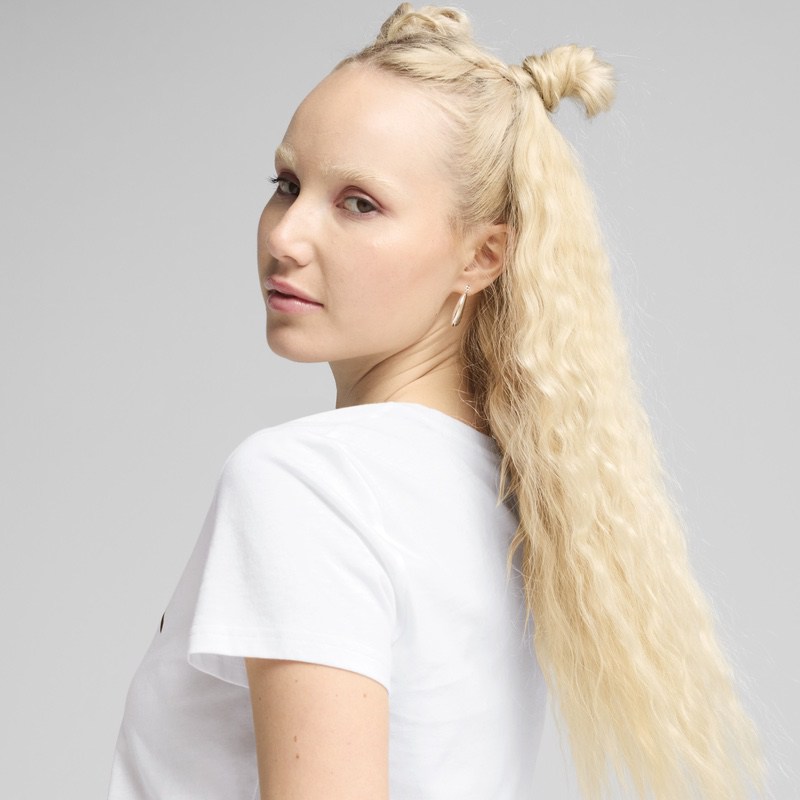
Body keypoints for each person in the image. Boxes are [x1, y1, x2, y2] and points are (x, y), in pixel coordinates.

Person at [107, 4, 764, 799]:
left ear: (481, 256)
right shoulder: (505, 498)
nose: (285, 236)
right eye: (288, 185)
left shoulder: (306, 484)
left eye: (359, 203)